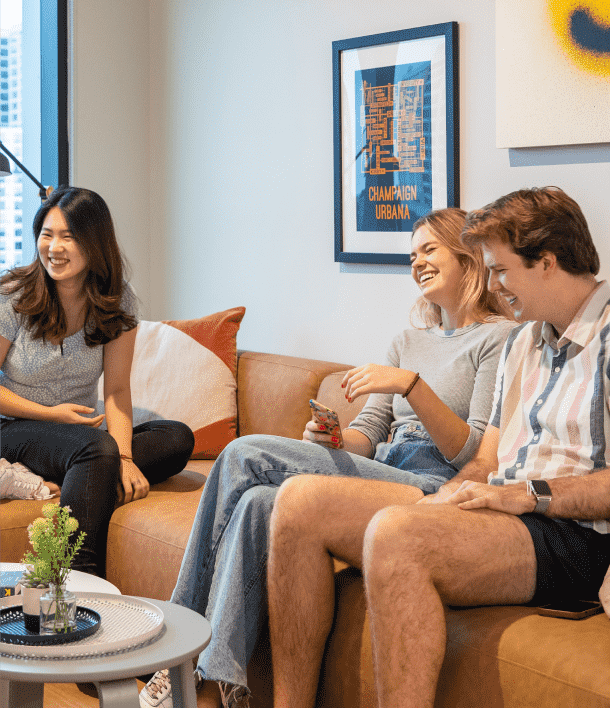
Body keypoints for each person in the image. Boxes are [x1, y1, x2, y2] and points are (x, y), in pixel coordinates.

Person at [141, 207, 515, 708]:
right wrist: (331, 440)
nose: (417, 263)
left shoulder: (499, 339)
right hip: (380, 466)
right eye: (411, 255)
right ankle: (217, 684)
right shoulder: (406, 341)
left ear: (467, 257)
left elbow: (472, 452)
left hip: (431, 484)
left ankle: (174, 650)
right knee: (256, 502)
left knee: (244, 454)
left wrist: (413, 387)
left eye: (430, 250)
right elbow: (367, 434)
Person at [267, 187, 609, 708]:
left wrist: (530, 494)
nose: (494, 285)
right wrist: (449, 496)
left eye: (500, 270)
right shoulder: (523, 343)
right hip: (504, 512)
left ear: (547, 261)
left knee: (398, 533)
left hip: (576, 537)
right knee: (298, 503)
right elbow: (486, 461)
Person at [0, 186, 194, 576]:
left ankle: (84, 473)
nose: (54, 247)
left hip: (78, 434)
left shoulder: (117, 299)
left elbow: (117, 391)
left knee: (177, 438)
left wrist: (123, 458)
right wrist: (52, 415)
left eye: (68, 237)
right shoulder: (13, 294)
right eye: (47, 234)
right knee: (94, 448)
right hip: (13, 427)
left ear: (94, 243)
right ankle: (76, 576)